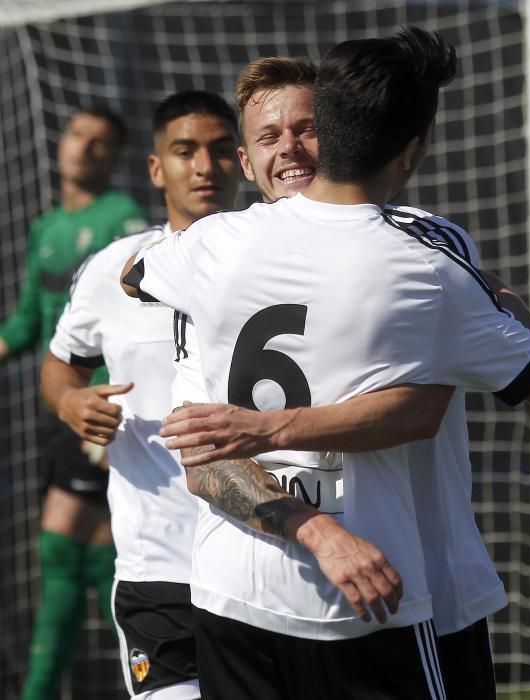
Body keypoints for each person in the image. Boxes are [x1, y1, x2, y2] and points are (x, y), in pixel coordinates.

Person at [122, 28, 530, 700]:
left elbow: (137, 275)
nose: (290, 149)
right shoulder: (414, 263)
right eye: (269, 137)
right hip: (335, 597)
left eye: (305, 128)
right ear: (247, 161)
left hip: (397, 586)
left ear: (333, 133)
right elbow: (203, 451)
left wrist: (267, 430)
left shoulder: (203, 251)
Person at [40, 91, 242, 699]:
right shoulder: (112, 268)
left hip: (262, 564)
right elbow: (58, 365)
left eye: (217, 151)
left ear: (242, 161)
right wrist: (72, 403)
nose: (203, 167)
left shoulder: (280, 261)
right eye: (184, 151)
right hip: (158, 569)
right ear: (157, 168)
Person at [0, 105, 146, 700]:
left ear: (115, 157)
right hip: (61, 408)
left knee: (82, 544)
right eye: (79, 135)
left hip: (109, 412)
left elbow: (139, 318)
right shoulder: (47, 228)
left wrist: (112, 410)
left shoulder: (125, 222)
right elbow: (29, 322)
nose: (84, 148)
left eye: (101, 142)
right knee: (74, 547)